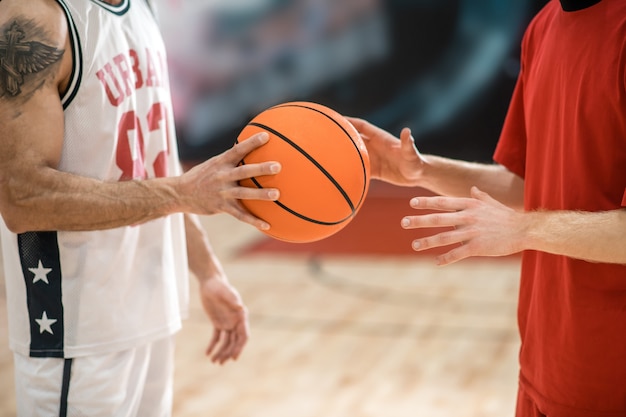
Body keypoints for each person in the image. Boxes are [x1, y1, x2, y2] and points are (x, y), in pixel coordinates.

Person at [0, 0, 281, 415]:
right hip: (78, 338)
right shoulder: (35, 20)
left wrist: (207, 271)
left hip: (150, 315)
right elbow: (22, 197)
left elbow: (155, 162)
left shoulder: (140, 8)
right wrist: (182, 193)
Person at [347, 0, 626, 416]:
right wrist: (420, 170)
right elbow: (527, 187)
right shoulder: (543, 27)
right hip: (543, 371)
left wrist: (523, 230)